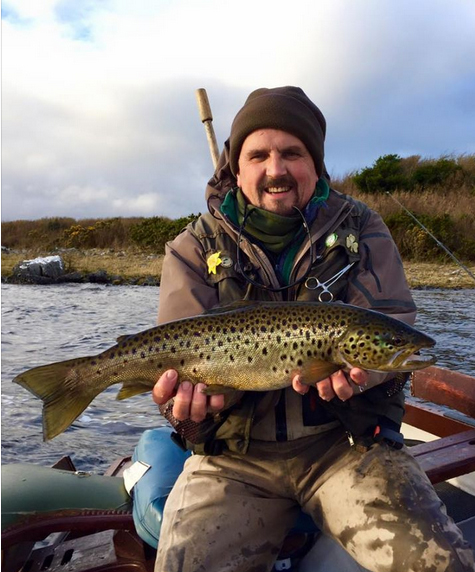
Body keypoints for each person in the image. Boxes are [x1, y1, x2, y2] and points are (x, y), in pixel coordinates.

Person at [151, 86, 474, 572]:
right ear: (236, 168)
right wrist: (184, 415)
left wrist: (377, 373)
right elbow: (173, 370)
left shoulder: (363, 229)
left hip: (350, 448)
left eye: (292, 153)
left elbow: (393, 329)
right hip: (233, 459)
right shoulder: (192, 248)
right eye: (257, 155)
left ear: (316, 164)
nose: (275, 169)